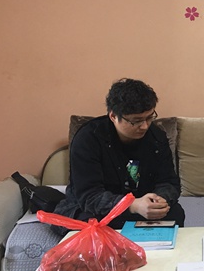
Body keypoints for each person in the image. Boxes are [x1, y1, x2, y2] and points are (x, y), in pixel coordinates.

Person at [54, 78, 185, 230]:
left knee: (175, 213)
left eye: (149, 117)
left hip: (142, 204)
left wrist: (159, 200)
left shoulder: (157, 137)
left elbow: (169, 182)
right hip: (101, 208)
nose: (144, 126)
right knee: (90, 224)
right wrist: (132, 205)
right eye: (136, 121)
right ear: (113, 116)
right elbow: (89, 196)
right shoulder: (88, 139)